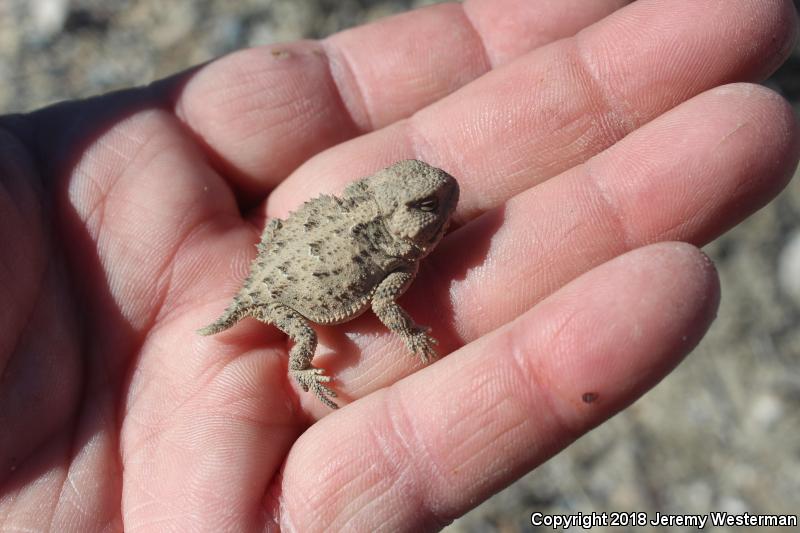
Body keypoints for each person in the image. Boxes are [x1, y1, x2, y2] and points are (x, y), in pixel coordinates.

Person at [0, 0, 797, 530]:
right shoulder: (390, 273)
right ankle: (301, 361)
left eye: (427, 203)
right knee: (310, 342)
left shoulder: (401, 208)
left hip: (295, 245)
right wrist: (411, 335)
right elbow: (382, 306)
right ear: (402, 217)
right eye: (424, 210)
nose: (436, 204)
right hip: (294, 291)